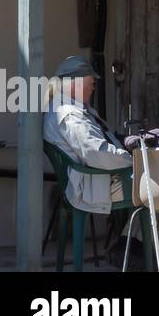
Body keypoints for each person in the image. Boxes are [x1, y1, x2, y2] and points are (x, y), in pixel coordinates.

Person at [43, 55, 131, 213]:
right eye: (91, 83)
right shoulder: (69, 115)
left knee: (157, 181)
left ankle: (133, 237)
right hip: (91, 187)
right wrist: (134, 160)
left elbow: (97, 139)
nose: (93, 88)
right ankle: (139, 237)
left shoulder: (69, 107)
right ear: (76, 84)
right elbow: (96, 152)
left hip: (96, 180)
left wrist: (123, 140)